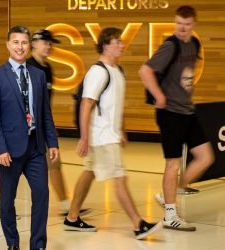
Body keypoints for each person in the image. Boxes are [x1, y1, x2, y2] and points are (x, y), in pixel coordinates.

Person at [63, 27, 161, 240]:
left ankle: (71, 217)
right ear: (105, 45)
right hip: (101, 136)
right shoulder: (98, 72)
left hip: (108, 134)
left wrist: (122, 129)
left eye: (121, 42)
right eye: (117, 42)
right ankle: (138, 224)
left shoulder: (118, 70)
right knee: (119, 178)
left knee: (89, 173)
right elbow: (86, 104)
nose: (122, 45)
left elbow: (114, 104)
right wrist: (84, 138)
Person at [0, 29, 91, 219]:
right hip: (19, 132)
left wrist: (49, 133)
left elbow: (44, 106)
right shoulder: (24, 67)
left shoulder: (45, 70)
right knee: (13, 171)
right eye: (45, 42)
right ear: (34, 44)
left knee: (53, 164)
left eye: (50, 43)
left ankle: (64, 204)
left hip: (38, 130)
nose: (49, 47)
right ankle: (1, 204)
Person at [139, 5, 214, 231]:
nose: (182, 28)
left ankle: (167, 193)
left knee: (205, 157)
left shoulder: (194, 43)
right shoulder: (169, 46)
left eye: (187, 24)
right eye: (179, 23)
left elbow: (185, 73)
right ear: (175, 22)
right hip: (169, 112)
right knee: (172, 164)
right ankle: (170, 215)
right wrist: (159, 95)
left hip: (187, 111)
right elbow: (145, 71)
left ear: (194, 25)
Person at [0, 26, 59, 250]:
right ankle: (12, 243)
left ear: (29, 45)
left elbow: (45, 112)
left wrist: (52, 142)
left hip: (35, 146)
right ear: (8, 45)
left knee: (42, 195)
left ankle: (38, 245)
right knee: (7, 201)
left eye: (24, 42)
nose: (20, 47)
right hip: (9, 150)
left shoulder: (38, 75)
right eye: (15, 42)